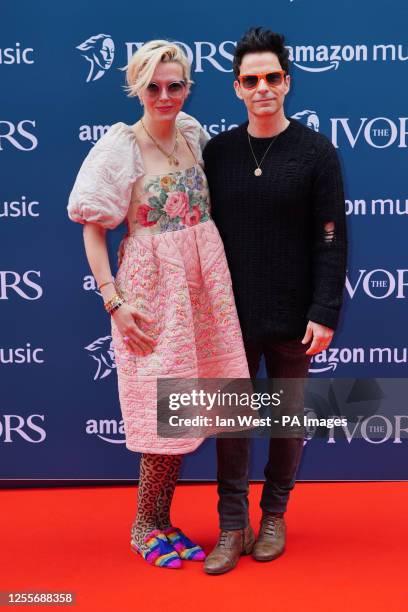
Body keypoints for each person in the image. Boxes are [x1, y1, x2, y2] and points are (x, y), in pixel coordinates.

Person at [67, 40, 250, 569]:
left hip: (203, 287)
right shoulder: (120, 147)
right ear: (136, 87)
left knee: (189, 405)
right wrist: (114, 300)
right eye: (153, 86)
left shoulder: (193, 133)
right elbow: (92, 229)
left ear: (188, 86)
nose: (165, 95)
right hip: (152, 292)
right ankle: (144, 524)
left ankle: (162, 519)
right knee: (161, 405)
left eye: (175, 85)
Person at [202, 27, 347, 574]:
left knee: (286, 422)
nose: (262, 87)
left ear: (287, 82)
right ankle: (231, 526)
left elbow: (331, 235)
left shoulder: (316, 152)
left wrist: (324, 309)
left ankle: (274, 516)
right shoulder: (216, 152)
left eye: (272, 77)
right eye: (251, 79)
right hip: (230, 315)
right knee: (232, 424)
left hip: (295, 317)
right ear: (237, 87)